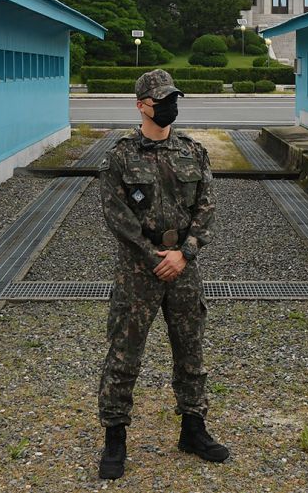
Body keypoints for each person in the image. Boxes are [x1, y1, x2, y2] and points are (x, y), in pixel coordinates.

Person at [96, 69, 229, 479]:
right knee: (124, 354)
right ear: (141, 105)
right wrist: (155, 256)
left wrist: (185, 253)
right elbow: (116, 216)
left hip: (183, 268)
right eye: (161, 100)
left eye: (173, 98)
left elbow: (206, 206)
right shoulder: (119, 157)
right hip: (139, 270)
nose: (170, 106)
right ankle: (115, 438)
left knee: (190, 351)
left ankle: (193, 428)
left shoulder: (193, 151)